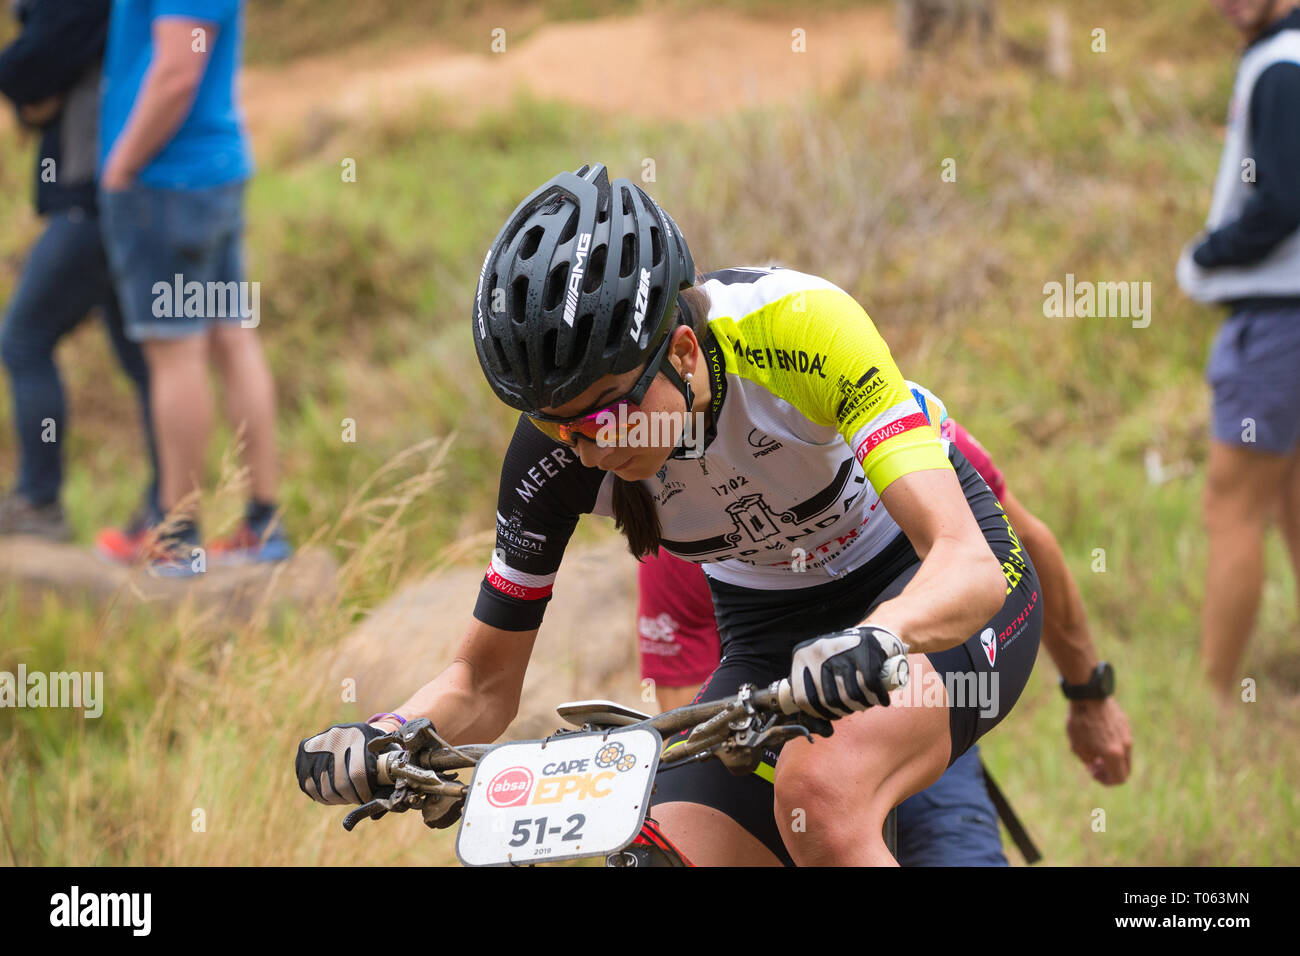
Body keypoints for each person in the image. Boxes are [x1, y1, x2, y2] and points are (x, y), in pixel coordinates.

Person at [297, 163, 1043, 866]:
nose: (587, 451)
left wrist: (883, 634)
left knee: (822, 795)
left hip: (931, 591)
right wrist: (385, 735)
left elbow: (967, 561)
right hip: (770, 636)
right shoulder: (555, 453)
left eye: (606, 415)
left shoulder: (799, 330)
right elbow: (483, 684)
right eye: (560, 425)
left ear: (682, 353)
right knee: (661, 852)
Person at [638, 389, 1132, 864]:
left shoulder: (884, 432)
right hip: (787, 725)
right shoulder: (683, 526)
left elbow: (1020, 541)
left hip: (911, 692)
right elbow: (689, 710)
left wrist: (1089, 693)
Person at [96, 0, 288, 573]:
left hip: (168, 181)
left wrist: (122, 166)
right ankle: (262, 523)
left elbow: (178, 71)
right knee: (233, 339)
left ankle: (178, 537)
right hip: (207, 175)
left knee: (178, 354)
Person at [1176, 0, 1300, 704]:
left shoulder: (1281, 65)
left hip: (1278, 318)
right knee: (1288, 499)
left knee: (1232, 506)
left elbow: (1284, 202)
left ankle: (1214, 698)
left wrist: (1206, 255)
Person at [0, 0, 158, 542]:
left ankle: (40, 502)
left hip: (91, 198)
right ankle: (167, 511)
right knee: (145, 360)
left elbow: (29, 68)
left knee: (24, 339)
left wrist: (29, 75)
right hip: (120, 194)